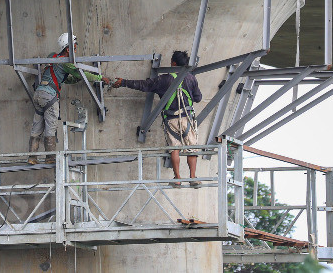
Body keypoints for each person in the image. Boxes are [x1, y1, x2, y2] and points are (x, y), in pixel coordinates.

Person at [108, 51, 203, 186]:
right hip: (187, 118)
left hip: (171, 120)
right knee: (192, 148)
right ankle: (193, 177)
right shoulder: (191, 79)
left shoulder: (164, 79)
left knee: (174, 148)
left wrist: (124, 82)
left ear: (173, 63)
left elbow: (143, 85)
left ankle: (177, 179)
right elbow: (198, 98)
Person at [28, 32, 103, 163]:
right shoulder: (66, 63)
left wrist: (72, 79)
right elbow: (80, 73)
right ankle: (50, 158)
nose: (75, 51)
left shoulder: (52, 56)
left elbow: (60, 77)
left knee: (37, 127)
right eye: (74, 48)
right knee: (50, 127)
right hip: (49, 96)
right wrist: (101, 78)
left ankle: (32, 157)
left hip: (39, 94)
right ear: (68, 49)